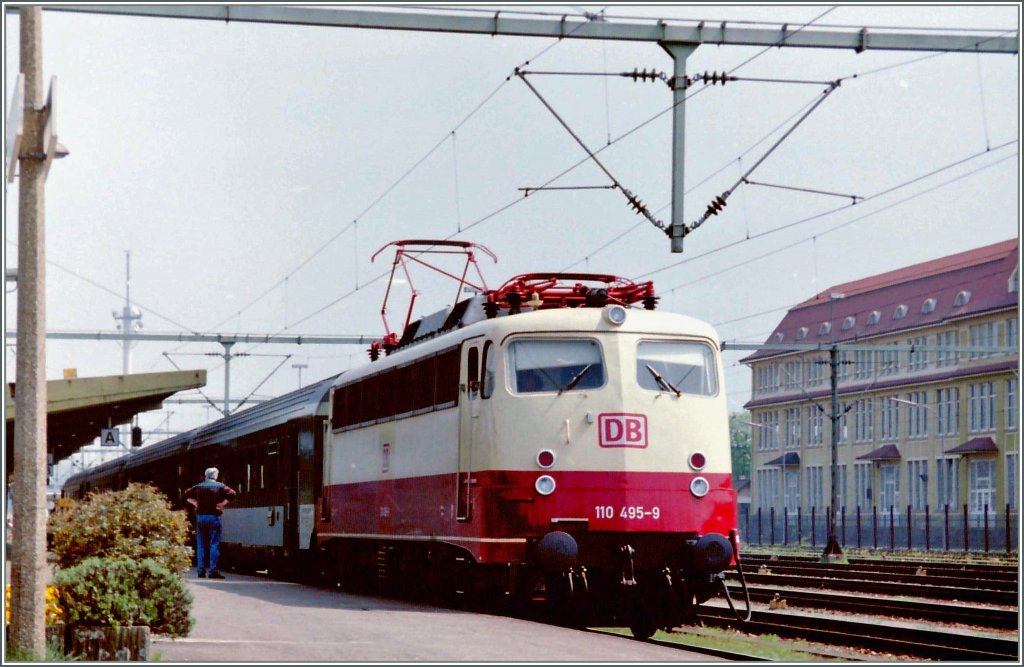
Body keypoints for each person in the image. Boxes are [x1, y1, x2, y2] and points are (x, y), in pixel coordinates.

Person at [184, 467, 237, 579]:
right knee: (214, 544)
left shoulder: (198, 486)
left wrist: (195, 503)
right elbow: (233, 494)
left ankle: (201, 571)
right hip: (214, 517)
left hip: (201, 518)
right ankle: (213, 571)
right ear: (216, 476)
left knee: (201, 545)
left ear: (206, 476)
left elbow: (186, 494)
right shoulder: (221, 486)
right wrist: (223, 504)